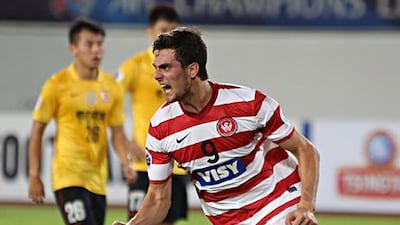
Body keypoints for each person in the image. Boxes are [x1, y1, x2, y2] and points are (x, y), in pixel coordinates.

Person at [113, 27, 320, 225]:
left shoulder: (248, 104)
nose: (157, 76)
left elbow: (305, 149)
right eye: (156, 68)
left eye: (165, 67)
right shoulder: (161, 128)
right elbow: (159, 199)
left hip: (277, 202)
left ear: (192, 69)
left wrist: (306, 206)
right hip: (227, 220)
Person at [28, 18, 136, 225]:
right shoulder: (57, 85)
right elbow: (37, 128)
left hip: (97, 180)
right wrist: (34, 175)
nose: (96, 50)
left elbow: (117, 132)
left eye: (99, 44)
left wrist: (125, 160)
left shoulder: (111, 86)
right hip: (68, 176)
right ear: (73, 48)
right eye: (89, 44)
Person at [115, 4, 187, 225]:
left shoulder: (184, 68)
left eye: (173, 32)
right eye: (163, 30)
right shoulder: (134, 67)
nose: (169, 37)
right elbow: (108, 103)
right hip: (144, 164)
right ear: (150, 32)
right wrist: (125, 143)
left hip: (176, 162)